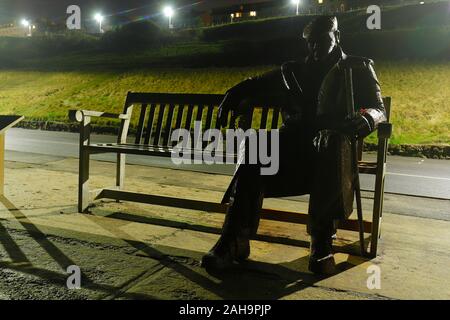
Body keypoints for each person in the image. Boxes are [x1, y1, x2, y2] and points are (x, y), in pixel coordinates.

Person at [201, 16, 387, 275]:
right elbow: (257, 83)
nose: (314, 47)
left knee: (329, 141)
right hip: (293, 150)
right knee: (257, 145)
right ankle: (233, 239)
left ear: (337, 36)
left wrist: (368, 117)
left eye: (321, 40)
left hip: (334, 153)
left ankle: (322, 242)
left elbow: (380, 109)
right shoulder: (293, 70)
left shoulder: (358, 67)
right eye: (310, 42)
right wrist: (234, 93)